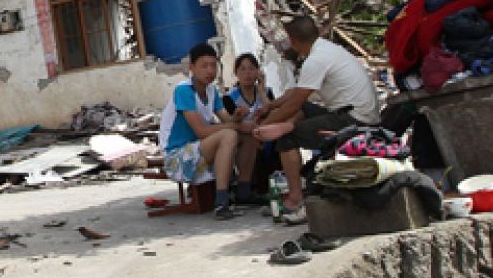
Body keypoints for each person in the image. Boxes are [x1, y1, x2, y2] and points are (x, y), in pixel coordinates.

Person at [253, 15, 381, 223]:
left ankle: (295, 199)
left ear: (293, 41)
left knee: (287, 139)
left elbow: (294, 102)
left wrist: (264, 127)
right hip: (354, 113)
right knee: (300, 111)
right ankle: (287, 125)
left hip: (355, 120)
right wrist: (270, 106)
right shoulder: (326, 49)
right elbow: (296, 94)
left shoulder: (315, 60)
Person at [158, 42, 242, 219]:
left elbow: (227, 120)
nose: (210, 71)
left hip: (197, 149)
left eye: (213, 66)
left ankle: (245, 189)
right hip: (176, 156)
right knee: (229, 134)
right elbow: (202, 131)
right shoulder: (183, 90)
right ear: (192, 68)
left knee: (244, 134)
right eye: (204, 66)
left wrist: (239, 118)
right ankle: (221, 202)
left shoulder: (212, 91)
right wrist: (232, 126)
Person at [226, 53, 276, 205]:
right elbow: (230, 124)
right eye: (243, 69)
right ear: (236, 73)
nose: (248, 73)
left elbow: (274, 113)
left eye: (252, 69)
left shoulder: (266, 92)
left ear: (258, 72)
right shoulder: (230, 97)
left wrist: (261, 90)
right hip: (246, 137)